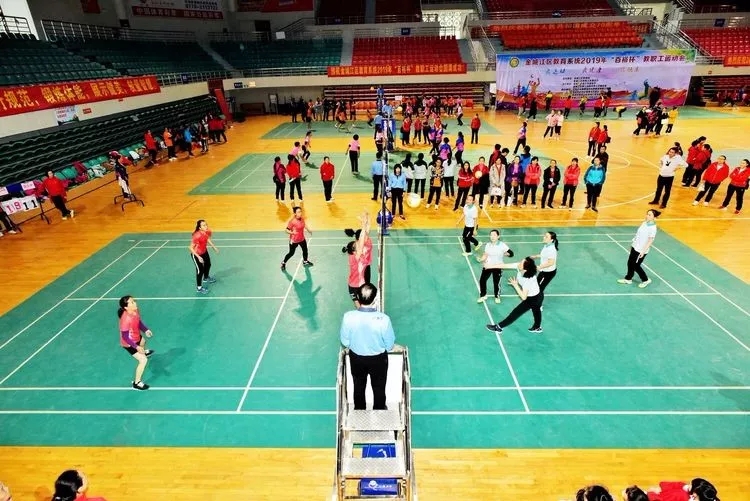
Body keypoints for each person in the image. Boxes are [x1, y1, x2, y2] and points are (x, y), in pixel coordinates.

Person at [339, 283, 403, 410]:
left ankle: (359, 409)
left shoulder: (348, 317)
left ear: (358, 297)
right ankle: (379, 409)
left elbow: (345, 342)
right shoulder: (384, 319)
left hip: (356, 359)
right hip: (378, 360)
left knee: (358, 386)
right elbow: (389, 345)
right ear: (375, 299)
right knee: (379, 387)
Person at [485, 257, 544, 334]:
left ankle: (498, 327)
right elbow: (505, 266)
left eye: (521, 263)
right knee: (536, 311)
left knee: (516, 313)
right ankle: (537, 327)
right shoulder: (520, 267)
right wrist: (490, 266)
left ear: (525, 269)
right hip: (538, 294)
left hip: (533, 299)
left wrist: (515, 285)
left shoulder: (528, 280)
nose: (519, 263)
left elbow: (523, 297)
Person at [118, 296, 154, 391]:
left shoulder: (135, 310)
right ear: (126, 307)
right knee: (143, 360)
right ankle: (137, 383)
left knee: (143, 341)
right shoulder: (125, 320)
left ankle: (143, 352)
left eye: (134, 301)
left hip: (136, 335)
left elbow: (138, 322)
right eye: (132, 302)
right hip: (129, 343)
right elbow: (125, 337)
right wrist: (136, 347)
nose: (135, 303)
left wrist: (145, 330)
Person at [618, 209, 660, 288]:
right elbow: (638, 235)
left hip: (641, 250)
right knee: (630, 263)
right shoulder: (644, 223)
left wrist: (643, 251)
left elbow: (650, 241)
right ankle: (628, 279)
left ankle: (646, 280)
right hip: (635, 247)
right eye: (647, 214)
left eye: (649, 215)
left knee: (636, 266)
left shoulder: (653, 228)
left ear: (654, 217)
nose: (647, 216)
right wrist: (632, 244)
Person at [476, 229, 514, 304]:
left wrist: (505, 254)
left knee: (496, 282)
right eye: (491, 235)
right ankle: (483, 295)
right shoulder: (488, 245)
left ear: (498, 236)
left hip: (498, 266)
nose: (492, 236)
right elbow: (485, 255)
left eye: (494, 235)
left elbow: (511, 253)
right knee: (482, 280)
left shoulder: (502, 245)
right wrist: (481, 259)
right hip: (488, 266)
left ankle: (497, 296)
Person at [343, 213, 372, 308]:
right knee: (360, 305)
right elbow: (362, 238)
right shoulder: (356, 257)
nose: (359, 244)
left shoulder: (353, 255)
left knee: (360, 305)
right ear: (354, 250)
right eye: (357, 245)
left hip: (353, 284)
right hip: (355, 286)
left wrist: (366, 221)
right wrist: (363, 225)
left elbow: (364, 236)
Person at [189, 219, 219, 294]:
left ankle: (205, 277)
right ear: (200, 228)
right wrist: (198, 257)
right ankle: (199, 288)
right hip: (196, 254)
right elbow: (190, 248)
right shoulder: (197, 235)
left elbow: (207, 239)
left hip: (204, 252)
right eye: (204, 225)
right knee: (200, 271)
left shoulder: (207, 231)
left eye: (206, 224)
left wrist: (214, 247)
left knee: (208, 264)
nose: (206, 226)